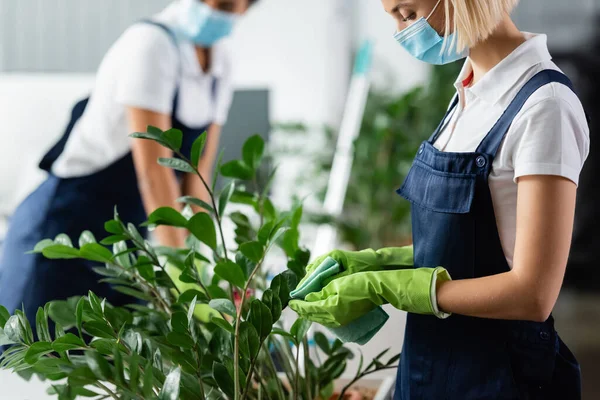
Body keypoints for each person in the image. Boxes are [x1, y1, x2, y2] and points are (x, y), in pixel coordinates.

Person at [289, 1, 590, 399]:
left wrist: (391, 288)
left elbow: (533, 293)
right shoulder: (466, 95)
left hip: (499, 375)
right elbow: (470, 246)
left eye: (409, 14)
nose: (400, 31)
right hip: (430, 363)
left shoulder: (544, 107)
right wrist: (380, 261)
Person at [0, 0, 257, 329]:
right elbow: (154, 172)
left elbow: (196, 180)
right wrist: (183, 274)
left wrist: (212, 264)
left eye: (224, 4)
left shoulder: (221, 63)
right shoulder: (151, 45)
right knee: (40, 348)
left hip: (125, 233)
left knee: (113, 360)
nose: (211, 8)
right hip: (66, 225)